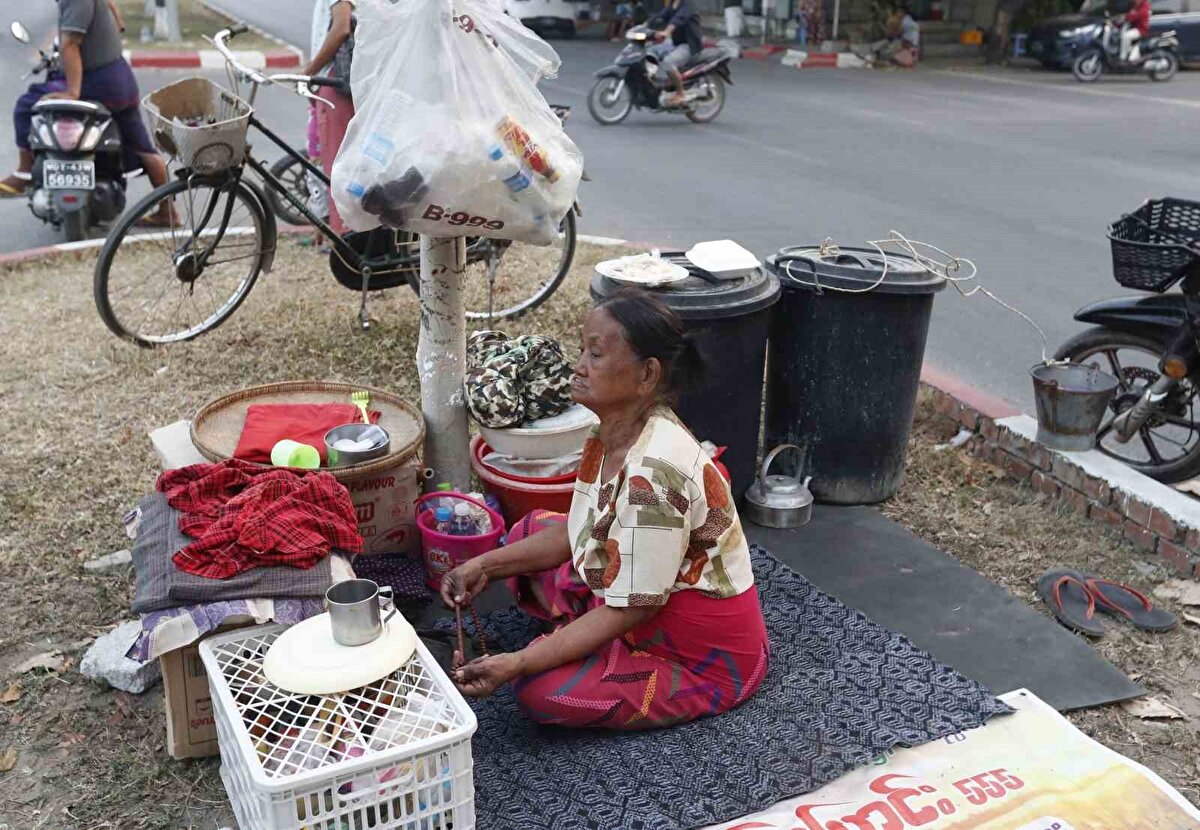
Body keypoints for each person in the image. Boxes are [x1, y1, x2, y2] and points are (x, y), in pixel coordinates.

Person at [442, 290, 770, 730]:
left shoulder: (654, 475)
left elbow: (633, 609)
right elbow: (579, 528)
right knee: (528, 531)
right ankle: (583, 636)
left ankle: (594, 644)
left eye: (595, 354)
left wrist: (519, 662)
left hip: (701, 659)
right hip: (638, 595)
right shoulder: (610, 434)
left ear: (647, 374)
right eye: (583, 350)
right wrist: (484, 565)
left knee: (541, 689)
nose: (579, 366)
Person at [2, 0, 172, 223]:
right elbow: (116, 20)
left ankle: (24, 173)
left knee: (26, 105)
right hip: (121, 80)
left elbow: (70, 44)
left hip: (95, 82)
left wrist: (72, 92)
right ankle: (169, 212)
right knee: (144, 148)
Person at [305, 0, 355, 236]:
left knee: (339, 168)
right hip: (334, 82)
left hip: (335, 83)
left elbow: (341, 27)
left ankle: (345, 239)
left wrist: (309, 72)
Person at [647, 0, 703, 107]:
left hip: (689, 45)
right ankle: (654, 82)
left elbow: (678, 19)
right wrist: (644, 26)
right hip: (675, 43)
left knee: (668, 62)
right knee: (651, 51)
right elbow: (660, 16)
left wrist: (667, 31)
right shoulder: (672, 4)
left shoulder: (688, 4)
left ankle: (680, 93)